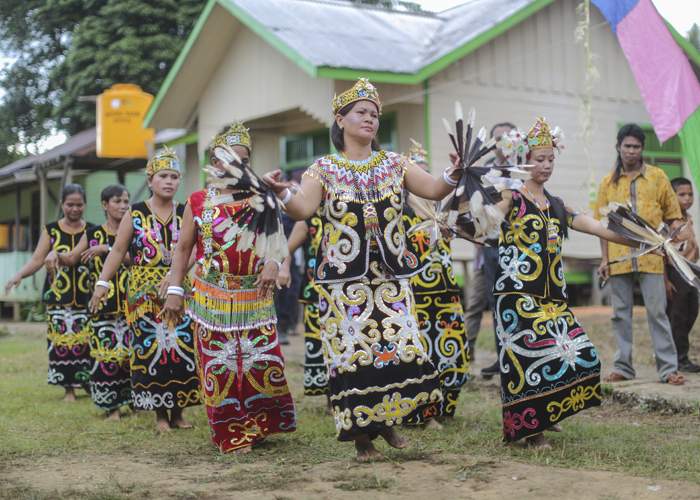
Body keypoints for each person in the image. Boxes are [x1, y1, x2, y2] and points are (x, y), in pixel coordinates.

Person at [263, 78, 456, 461]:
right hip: (342, 283)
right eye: (361, 113)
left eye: (375, 114)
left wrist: (453, 173)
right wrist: (282, 191)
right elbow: (302, 210)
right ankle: (362, 438)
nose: (370, 119)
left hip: (389, 278)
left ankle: (385, 421)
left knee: (396, 348)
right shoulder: (322, 170)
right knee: (354, 355)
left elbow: (434, 189)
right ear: (341, 120)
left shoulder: (394, 163)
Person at [488, 117, 639, 447]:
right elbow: (482, 223)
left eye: (550, 160)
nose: (545, 166)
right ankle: (531, 431)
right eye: (539, 159)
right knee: (528, 363)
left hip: (551, 298)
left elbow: (597, 227)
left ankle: (544, 414)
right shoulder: (511, 197)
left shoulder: (555, 205)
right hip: (516, 295)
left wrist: (637, 239)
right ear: (522, 160)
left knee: (582, 355)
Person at [162, 123, 296, 453]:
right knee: (219, 365)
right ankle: (232, 431)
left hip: (255, 295)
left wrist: (272, 264)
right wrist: (175, 291)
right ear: (215, 162)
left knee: (260, 360)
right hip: (212, 298)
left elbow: (277, 242)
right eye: (229, 157)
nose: (237, 163)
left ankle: (260, 423)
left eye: (244, 158)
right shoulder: (198, 200)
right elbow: (183, 249)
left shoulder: (260, 196)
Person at [89, 147, 201, 432]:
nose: (169, 182)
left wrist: (177, 276)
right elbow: (117, 251)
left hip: (179, 291)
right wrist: (102, 284)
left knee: (182, 349)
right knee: (152, 351)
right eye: (163, 176)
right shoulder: (135, 213)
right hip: (142, 295)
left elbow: (194, 250)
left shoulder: (186, 210)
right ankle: (160, 416)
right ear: (150, 180)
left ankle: (179, 413)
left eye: (175, 176)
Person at [595, 124, 685, 385]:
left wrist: (675, 242)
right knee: (620, 313)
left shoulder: (657, 177)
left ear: (642, 149)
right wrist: (604, 259)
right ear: (618, 147)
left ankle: (668, 369)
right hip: (618, 256)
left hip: (652, 257)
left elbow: (673, 215)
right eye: (627, 146)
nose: (631, 151)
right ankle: (623, 366)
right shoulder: (607, 183)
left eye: (636, 146)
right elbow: (601, 225)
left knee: (657, 312)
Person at [47, 185, 132, 419]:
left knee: (130, 355)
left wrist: (107, 249)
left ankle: (134, 402)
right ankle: (111, 407)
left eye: (126, 201)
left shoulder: (134, 229)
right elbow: (73, 258)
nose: (123, 206)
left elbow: (138, 258)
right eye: (117, 201)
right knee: (104, 355)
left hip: (131, 304)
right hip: (101, 304)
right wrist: (57, 255)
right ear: (105, 205)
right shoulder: (93, 233)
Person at [5, 184, 93, 402]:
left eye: (79, 205)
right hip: (57, 296)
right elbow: (37, 259)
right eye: (70, 204)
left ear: (85, 205)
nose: (74, 209)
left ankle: (88, 384)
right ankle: (68, 390)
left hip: (85, 294)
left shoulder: (92, 230)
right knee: (61, 342)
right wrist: (18, 276)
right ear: (62, 204)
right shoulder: (51, 230)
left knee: (86, 342)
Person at [402, 139, 469, 420]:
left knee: (454, 349)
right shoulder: (400, 217)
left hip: (447, 293)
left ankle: (447, 408)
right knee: (422, 353)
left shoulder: (442, 214)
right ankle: (423, 412)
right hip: (415, 297)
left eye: (426, 173)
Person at [467, 121, 516, 378]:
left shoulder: (525, 169)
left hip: (519, 246)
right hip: (491, 246)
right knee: (495, 304)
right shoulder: (486, 172)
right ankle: (502, 358)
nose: (502, 142)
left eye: (507, 137)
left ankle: (520, 355)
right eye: (497, 138)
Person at [282, 214, 329, 399]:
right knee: (320, 344)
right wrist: (284, 269)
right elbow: (287, 249)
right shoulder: (309, 216)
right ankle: (330, 398)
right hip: (315, 292)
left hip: (351, 293)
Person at [666, 177, 700, 373]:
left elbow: (691, 246)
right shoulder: (669, 221)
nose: (687, 198)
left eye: (690, 194)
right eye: (682, 194)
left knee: (692, 311)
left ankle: (678, 353)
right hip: (676, 271)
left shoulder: (687, 218)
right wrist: (666, 280)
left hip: (690, 270)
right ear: (672, 196)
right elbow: (663, 252)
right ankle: (679, 358)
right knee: (678, 315)